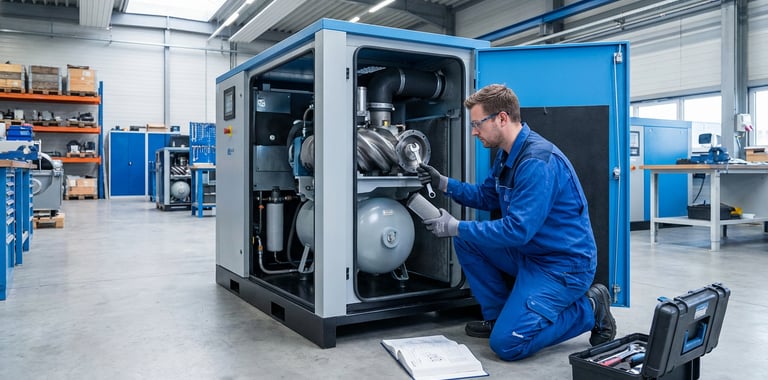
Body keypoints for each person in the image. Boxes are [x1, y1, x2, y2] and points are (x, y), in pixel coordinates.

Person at [417, 84, 616, 361]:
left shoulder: (537, 162)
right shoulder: (508, 154)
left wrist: (455, 226)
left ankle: (591, 307)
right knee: (468, 242)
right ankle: (499, 317)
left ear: (501, 118)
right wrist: (444, 183)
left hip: (561, 266)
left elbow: (517, 230)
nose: (474, 132)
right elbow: (487, 196)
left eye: (477, 124)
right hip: (531, 253)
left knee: (508, 345)